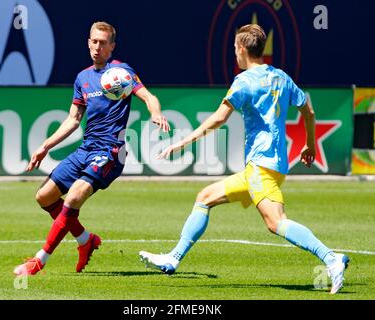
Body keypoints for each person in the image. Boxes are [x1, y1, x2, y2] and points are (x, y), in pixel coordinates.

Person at [139, 24, 349, 294]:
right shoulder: (281, 77)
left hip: (261, 167)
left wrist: (182, 142)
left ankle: (331, 259)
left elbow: (218, 119)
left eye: (234, 49)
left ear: (241, 49)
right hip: (267, 167)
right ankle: (173, 258)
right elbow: (308, 110)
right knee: (205, 197)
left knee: (276, 222)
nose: (234, 54)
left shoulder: (244, 81)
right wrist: (309, 145)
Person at [14, 21, 170, 276]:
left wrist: (156, 112)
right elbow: (73, 119)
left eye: (103, 43)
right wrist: (45, 146)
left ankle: (39, 260)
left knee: (74, 196)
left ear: (112, 46)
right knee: (44, 197)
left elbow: (148, 96)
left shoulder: (121, 72)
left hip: (110, 151)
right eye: (94, 41)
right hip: (86, 148)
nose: (97, 47)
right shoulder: (83, 78)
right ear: (88, 43)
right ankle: (86, 240)